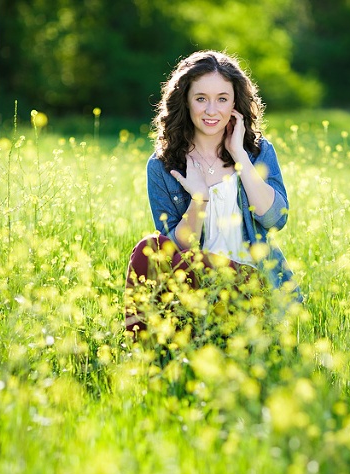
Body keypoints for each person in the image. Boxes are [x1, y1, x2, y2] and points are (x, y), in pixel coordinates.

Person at [125, 50, 300, 336]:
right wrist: (199, 199)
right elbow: (177, 251)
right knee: (150, 248)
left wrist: (239, 155)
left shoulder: (258, 152)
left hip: (251, 284)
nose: (211, 110)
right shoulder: (163, 165)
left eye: (222, 99)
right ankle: (143, 356)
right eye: (201, 98)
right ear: (185, 101)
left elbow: (275, 220)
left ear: (235, 103)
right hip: (197, 285)